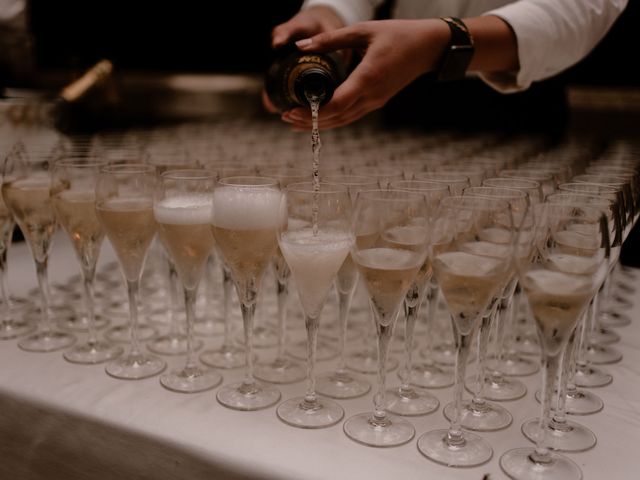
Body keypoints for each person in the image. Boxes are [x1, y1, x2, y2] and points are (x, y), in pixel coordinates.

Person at [265, 0, 628, 132]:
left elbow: (586, 6)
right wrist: (332, 11)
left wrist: (442, 43)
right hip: (402, 92)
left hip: (522, 97)